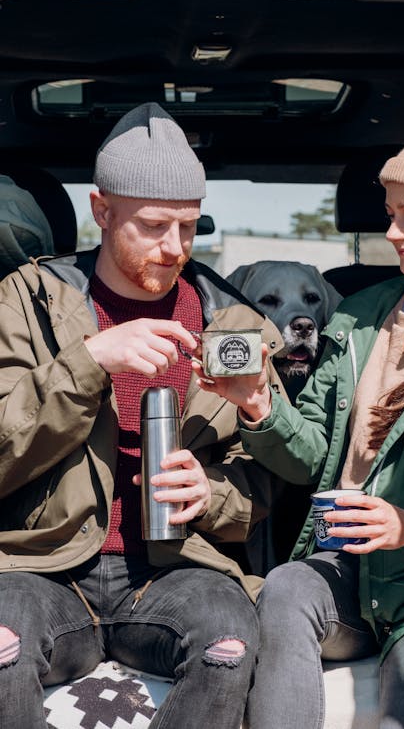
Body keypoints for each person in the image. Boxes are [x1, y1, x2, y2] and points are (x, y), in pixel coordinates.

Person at [195, 102, 404, 728]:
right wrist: (258, 400)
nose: (391, 234)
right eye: (390, 216)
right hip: (346, 571)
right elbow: (310, 455)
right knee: (284, 585)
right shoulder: (360, 313)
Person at [0, 102, 286, 729]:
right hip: (40, 565)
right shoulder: (26, 303)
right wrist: (88, 362)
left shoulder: (235, 326)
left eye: (189, 228)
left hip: (179, 568)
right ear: (101, 210)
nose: (174, 248)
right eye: (154, 227)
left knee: (228, 646)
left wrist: (208, 495)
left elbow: (269, 478)